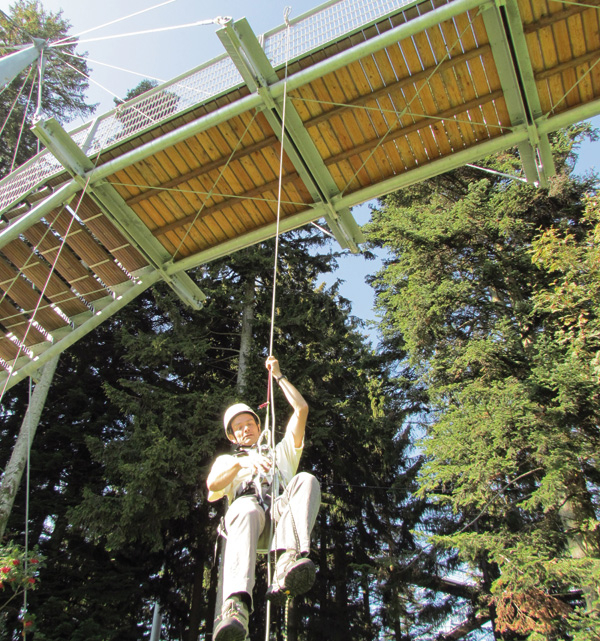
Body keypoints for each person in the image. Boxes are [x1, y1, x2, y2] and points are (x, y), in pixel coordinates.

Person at [207, 356, 321, 641]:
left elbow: (302, 409)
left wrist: (279, 376)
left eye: (249, 423)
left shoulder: (281, 453)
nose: (246, 428)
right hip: (249, 526)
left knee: (306, 479)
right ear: (233, 437)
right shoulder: (228, 461)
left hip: (280, 522)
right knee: (245, 507)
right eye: (239, 427)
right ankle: (235, 607)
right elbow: (212, 486)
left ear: (258, 425)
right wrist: (242, 464)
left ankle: (288, 562)